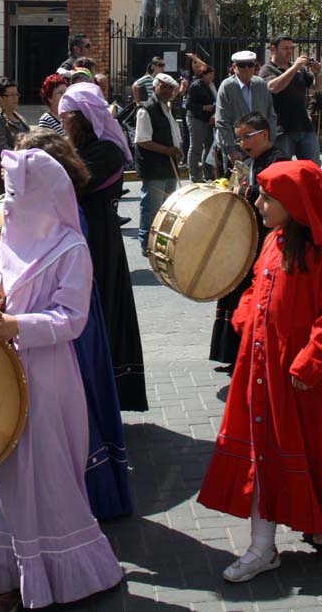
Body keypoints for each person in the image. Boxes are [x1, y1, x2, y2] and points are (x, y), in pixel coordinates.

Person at [198, 161, 322, 583]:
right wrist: (245, 317)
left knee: (310, 447)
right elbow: (255, 287)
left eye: (268, 197)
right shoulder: (272, 241)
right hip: (263, 367)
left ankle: (318, 523)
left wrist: (309, 361)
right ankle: (262, 545)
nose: (259, 203)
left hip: (298, 374)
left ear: (294, 204)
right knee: (265, 449)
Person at [0, 149, 123, 612]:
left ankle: (58, 573)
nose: (8, 205)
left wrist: (20, 326)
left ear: (44, 195)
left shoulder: (72, 249)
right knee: (2, 471)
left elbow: (72, 319)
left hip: (48, 378)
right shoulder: (10, 239)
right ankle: (6, 577)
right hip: (2, 375)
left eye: (17, 194)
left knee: (44, 471)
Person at [15, 128, 132, 520]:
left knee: (74, 409)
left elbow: (68, 301)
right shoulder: (40, 212)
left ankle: (82, 496)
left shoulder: (67, 219)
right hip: (41, 327)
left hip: (64, 332)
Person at [59, 82, 148, 412]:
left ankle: (100, 394)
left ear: (81, 118)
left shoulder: (106, 151)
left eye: (67, 117)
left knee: (101, 313)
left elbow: (72, 186)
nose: (63, 123)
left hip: (99, 243)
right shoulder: (84, 149)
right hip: (81, 240)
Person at [209, 112, 285, 368]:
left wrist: (239, 190)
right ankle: (233, 354)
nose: (242, 143)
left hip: (266, 239)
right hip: (247, 239)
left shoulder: (278, 160)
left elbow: (271, 192)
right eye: (239, 138)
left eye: (247, 137)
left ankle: (250, 353)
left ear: (264, 134)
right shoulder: (253, 161)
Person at [134, 72, 182, 255]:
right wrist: (168, 150)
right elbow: (143, 140)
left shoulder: (167, 107)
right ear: (155, 88)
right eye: (164, 87)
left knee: (167, 206)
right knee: (151, 207)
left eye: (170, 88)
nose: (168, 91)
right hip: (154, 167)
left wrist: (177, 149)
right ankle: (146, 241)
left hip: (168, 166)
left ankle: (161, 240)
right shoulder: (146, 109)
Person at [259, 34, 322, 164]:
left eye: (291, 48)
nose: (289, 51)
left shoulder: (299, 70)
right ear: (273, 49)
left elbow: (318, 87)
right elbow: (274, 88)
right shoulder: (267, 69)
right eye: (285, 48)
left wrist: (318, 73)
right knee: (283, 169)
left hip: (305, 127)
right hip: (282, 130)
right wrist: (294, 68)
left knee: (313, 168)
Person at [215, 51, 277, 172]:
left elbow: (271, 115)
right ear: (234, 67)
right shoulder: (227, 86)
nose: (246, 69)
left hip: (260, 146)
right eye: (242, 65)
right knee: (235, 185)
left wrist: (270, 141)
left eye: (250, 65)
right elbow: (222, 120)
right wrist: (230, 149)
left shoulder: (261, 84)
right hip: (237, 147)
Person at [0, 78, 30, 197]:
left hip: (21, 174)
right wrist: (24, 156)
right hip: (2, 181)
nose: (15, 98)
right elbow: (0, 149)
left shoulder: (18, 117)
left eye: (16, 94)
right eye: (11, 95)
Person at [184, 54, 217, 182]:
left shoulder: (210, 86)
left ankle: (208, 173)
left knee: (209, 147)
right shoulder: (196, 85)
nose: (212, 77)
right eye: (210, 74)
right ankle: (194, 174)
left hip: (208, 120)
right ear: (203, 74)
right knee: (196, 147)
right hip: (196, 118)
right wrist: (204, 107)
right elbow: (188, 104)